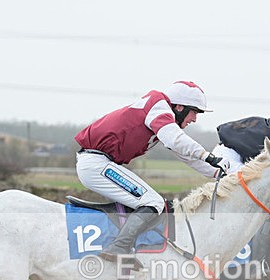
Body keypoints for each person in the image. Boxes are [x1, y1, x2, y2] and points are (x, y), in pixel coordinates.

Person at [74, 80, 233, 269]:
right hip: (96, 164)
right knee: (153, 202)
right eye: (195, 112)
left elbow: (186, 156)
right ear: (179, 107)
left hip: (99, 163)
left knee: (150, 201)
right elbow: (176, 140)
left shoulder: (162, 118)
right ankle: (118, 247)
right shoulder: (159, 107)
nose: (195, 119)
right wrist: (209, 156)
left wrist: (218, 173)